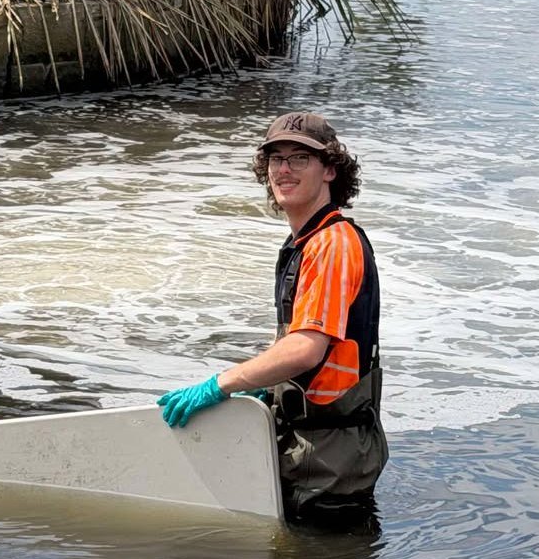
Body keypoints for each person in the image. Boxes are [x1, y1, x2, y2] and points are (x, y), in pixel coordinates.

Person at [156, 112, 387, 523]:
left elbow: (304, 349)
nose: (283, 169)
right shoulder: (308, 240)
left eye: (300, 158)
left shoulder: (331, 245)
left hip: (330, 462)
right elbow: (302, 344)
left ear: (331, 169)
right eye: (275, 159)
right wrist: (271, 389)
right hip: (315, 448)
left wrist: (220, 385)